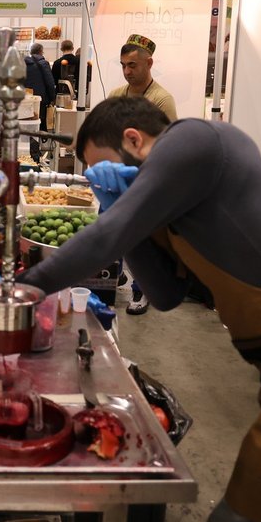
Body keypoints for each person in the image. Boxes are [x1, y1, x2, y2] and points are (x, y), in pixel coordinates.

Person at [16, 96, 261, 522]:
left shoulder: (197, 141)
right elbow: (165, 294)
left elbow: (106, 238)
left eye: (99, 165)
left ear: (134, 139)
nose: (95, 178)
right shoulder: (180, 200)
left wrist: (16, 290)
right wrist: (122, 211)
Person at [106, 33, 178, 315]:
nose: (127, 71)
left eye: (133, 65)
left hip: (145, 180)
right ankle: (111, 278)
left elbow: (168, 145)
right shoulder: (116, 95)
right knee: (111, 231)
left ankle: (142, 291)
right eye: (123, 65)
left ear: (149, 63)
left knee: (143, 239)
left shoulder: (161, 100)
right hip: (115, 178)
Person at [24, 43, 56, 143]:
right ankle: (39, 145)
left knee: (27, 121)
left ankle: (28, 144)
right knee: (40, 121)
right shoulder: (43, 63)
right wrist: (52, 98)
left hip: (26, 97)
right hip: (40, 98)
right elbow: (50, 82)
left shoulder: (24, 63)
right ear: (41, 51)